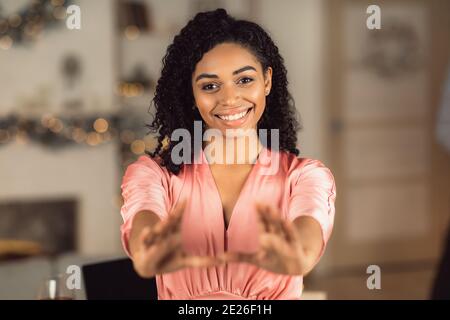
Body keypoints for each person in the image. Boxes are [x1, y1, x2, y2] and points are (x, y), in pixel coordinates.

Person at [119, 8, 336, 300]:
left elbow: (306, 244)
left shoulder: (305, 177)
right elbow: (144, 230)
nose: (229, 98)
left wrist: (297, 256)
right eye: (210, 86)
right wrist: (146, 251)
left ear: (267, 81)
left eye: (244, 80)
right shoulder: (154, 175)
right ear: (192, 96)